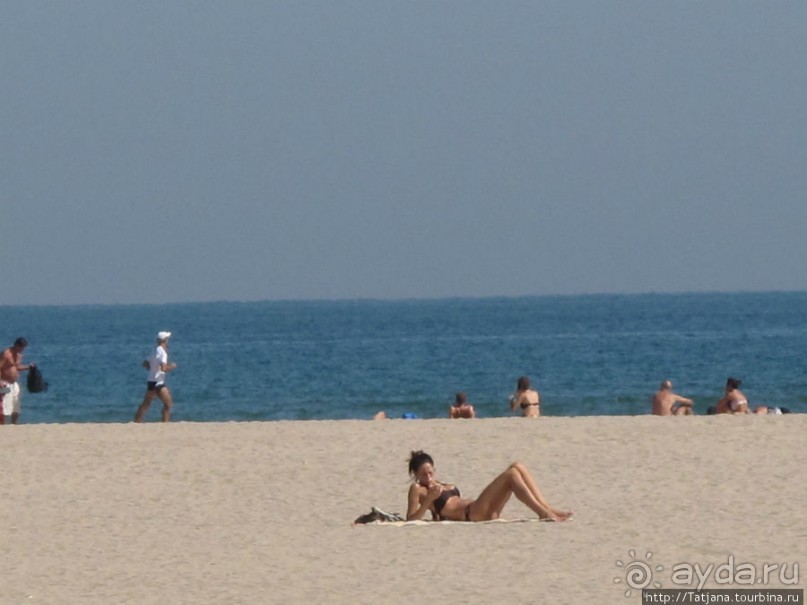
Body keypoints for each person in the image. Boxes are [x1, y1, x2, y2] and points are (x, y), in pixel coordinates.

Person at [134, 331, 177, 422]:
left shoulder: (154, 350)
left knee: (146, 404)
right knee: (168, 404)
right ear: (165, 340)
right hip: (158, 382)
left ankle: (136, 422)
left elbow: (145, 364)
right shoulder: (163, 353)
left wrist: (153, 369)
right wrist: (172, 366)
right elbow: (164, 368)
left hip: (152, 381)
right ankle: (164, 424)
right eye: (167, 339)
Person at [0, 337, 35, 425]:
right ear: (16, 345)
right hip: (5, 383)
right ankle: (2, 424)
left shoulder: (19, 355)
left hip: (14, 383)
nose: (22, 350)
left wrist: (28, 367)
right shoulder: (6, 353)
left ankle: (14, 422)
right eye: (21, 348)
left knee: (16, 402)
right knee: (5, 403)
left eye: (23, 348)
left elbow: (16, 367)